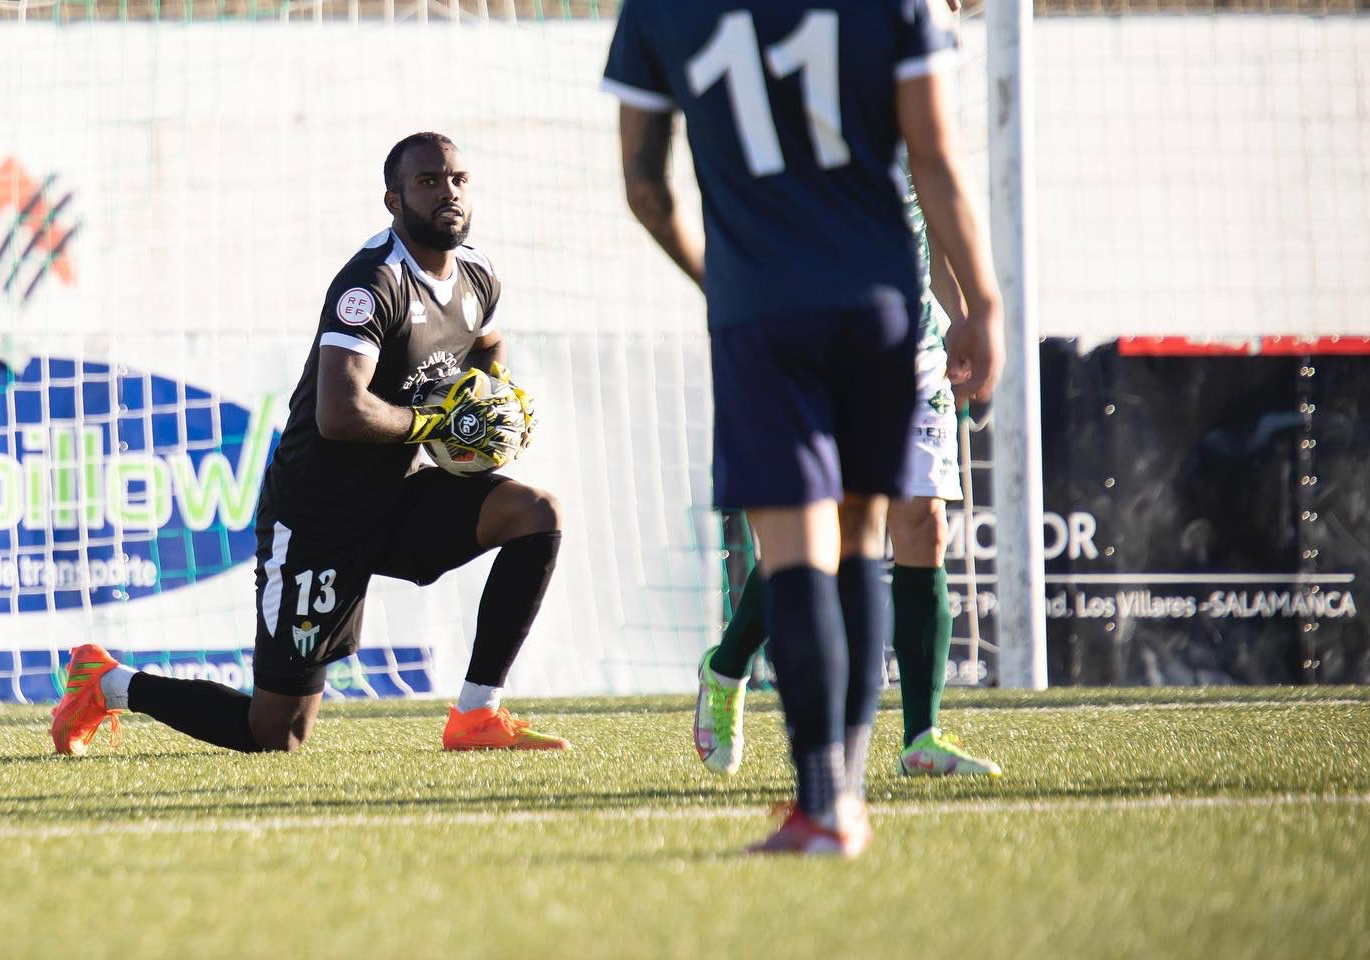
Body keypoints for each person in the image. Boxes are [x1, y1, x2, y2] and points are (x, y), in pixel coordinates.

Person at [603, 0, 1003, 855]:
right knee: (862, 540)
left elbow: (644, 187)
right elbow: (934, 157)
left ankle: (820, 797)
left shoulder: (660, 12)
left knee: (794, 557)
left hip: (762, 314)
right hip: (879, 310)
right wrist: (985, 303)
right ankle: (844, 803)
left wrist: (720, 280)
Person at [50, 132, 569, 756]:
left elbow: (485, 347)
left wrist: (487, 403)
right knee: (276, 734)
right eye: (428, 182)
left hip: (400, 496)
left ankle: (476, 715)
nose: (447, 192)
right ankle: (106, 683)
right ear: (393, 200)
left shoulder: (478, 275)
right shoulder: (372, 284)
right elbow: (339, 412)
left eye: (457, 179)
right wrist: (436, 426)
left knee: (536, 514)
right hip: (318, 515)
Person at [694, 164, 1002, 781]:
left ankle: (922, 735)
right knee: (823, 535)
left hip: (913, 353)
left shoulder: (910, 112)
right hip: (816, 349)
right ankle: (726, 667)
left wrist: (966, 318)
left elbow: (935, 228)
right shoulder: (799, 125)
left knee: (924, 524)